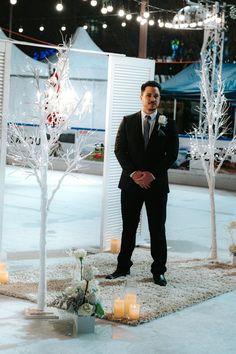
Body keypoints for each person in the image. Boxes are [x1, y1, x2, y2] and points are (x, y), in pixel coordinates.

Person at [106, 80, 179, 286]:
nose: (152, 99)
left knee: (158, 229)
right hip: (131, 185)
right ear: (141, 97)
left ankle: (158, 271)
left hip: (156, 185)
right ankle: (123, 267)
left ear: (159, 99)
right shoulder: (128, 121)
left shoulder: (168, 123)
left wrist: (152, 174)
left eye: (156, 95)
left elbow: (171, 154)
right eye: (149, 95)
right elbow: (119, 150)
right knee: (128, 228)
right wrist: (134, 174)